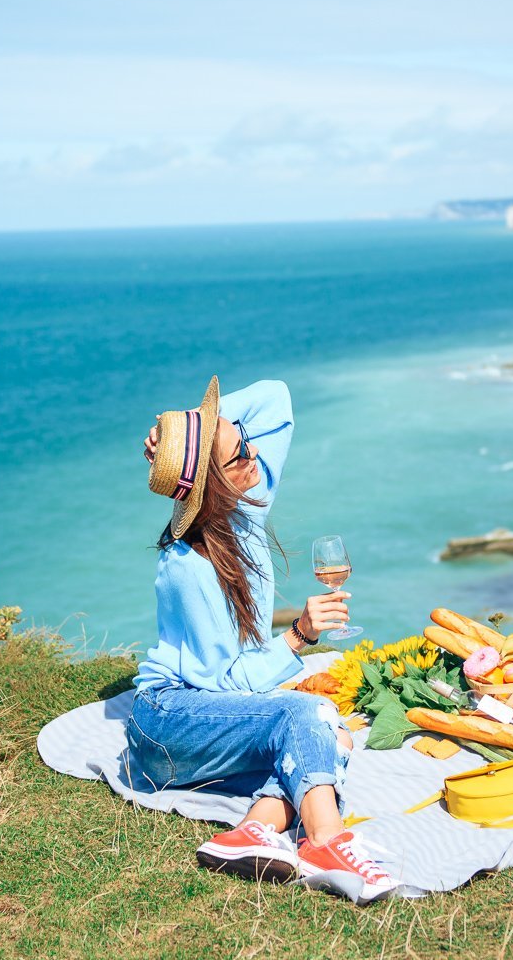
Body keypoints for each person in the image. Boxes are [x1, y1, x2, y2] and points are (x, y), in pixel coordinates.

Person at [126, 375, 400, 904]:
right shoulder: (187, 567)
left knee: (331, 740)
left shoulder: (245, 504)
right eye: (238, 454)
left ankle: (252, 831)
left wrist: (188, 429)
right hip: (167, 726)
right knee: (309, 716)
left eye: (247, 442)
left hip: (203, 722)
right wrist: (297, 637)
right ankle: (326, 842)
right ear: (211, 482)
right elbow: (225, 684)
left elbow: (276, 397)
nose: (254, 454)